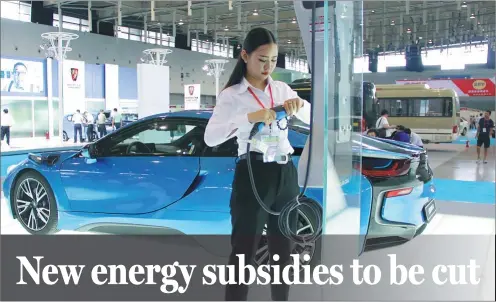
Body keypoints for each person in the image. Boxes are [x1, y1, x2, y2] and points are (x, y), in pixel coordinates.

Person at [204, 27, 311, 301]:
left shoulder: (282, 89)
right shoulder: (232, 95)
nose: (268, 66)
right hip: (253, 172)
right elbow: (211, 137)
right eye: (262, 59)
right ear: (244, 55)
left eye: (273, 60)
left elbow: (313, 119)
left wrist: (300, 105)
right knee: (244, 250)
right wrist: (249, 117)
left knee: (283, 250)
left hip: (285, 173)